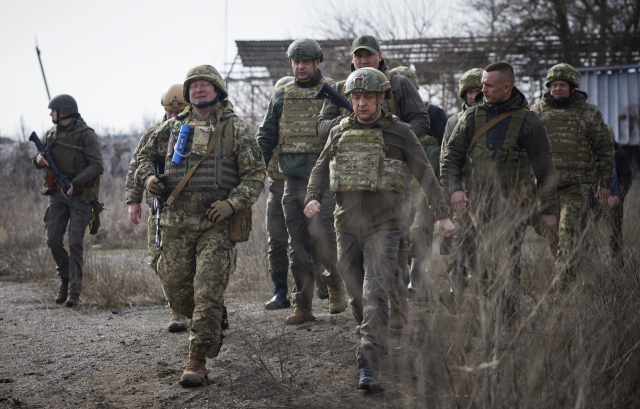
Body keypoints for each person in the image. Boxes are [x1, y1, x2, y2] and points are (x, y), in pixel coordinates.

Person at [304, 68, 454, 392]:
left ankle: (368, 362)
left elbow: (426, 173)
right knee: (358, 296)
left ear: (382, 99)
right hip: (345, 226)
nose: (361, 103)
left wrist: (442, 214)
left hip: (385, 227)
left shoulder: (400, 132)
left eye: (368, 97)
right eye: (356, 97)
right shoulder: (339, 131)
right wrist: (313, 197)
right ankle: (372, 335)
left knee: (375, 292)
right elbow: (320, 168)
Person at [135, 65, 265, 387]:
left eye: (206, 85)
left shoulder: (236, 129)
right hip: (175, 222)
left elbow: (256, 174)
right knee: (178, 295)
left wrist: (232, 203)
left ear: (218, 91)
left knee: (206, 290)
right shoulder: (169, 128)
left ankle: (197, 361)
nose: (199, 90)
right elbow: (140, 159)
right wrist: (149, 178)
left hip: (214, 223)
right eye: (194, 85)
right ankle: (210, 323)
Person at [316, 35, 431, 327]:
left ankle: (397, 309)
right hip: (352, 178)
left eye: (369, 55)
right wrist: (352, 123)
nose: (364, 59)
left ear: (380, 55)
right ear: (352, 59)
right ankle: (372, 314)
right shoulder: (344, 89)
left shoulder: (398, 84)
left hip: (392, 171)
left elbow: (421, 119)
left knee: (396, 244)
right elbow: (321, 127)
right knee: (357, 263)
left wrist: (392, 134)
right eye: (359, 55)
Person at [440, 61, 558, 315]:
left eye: (488, 85)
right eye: (482, 84)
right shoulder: (471, 118)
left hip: (512, 207)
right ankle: (488, 306)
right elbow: (451, 157)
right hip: (474, 205)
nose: (482, 90)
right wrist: (454, 189)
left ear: (507, 87)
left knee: (508, 262)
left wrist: (548, 209)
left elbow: (546, 170)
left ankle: (506, 320)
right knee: (475, 261)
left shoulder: (530, 122)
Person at [256, 38, 346, 325]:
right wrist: (256, 171)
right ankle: (302, 305)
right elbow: (266, 136)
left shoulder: (333, 91)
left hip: (324, 179)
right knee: (297, 244)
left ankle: (333, 285)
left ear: (317, 62)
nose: (300, 66)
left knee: (323, 236)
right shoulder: (282, 95)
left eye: (306, 61)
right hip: (292, 180)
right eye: (296, 62)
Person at [530, 63, 615, 287]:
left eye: (563, 85)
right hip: (546, 186)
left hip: (576, 185)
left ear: (572, 88)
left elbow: (604, 148)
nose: (558, 89)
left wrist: (606, 182)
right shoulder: (536, 112)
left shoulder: (589, 113)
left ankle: (561, 286)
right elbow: (524, 149)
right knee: (554, 236)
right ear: (549, 87)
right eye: (554, 85)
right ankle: (571, 274)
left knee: (568, 228)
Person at [125, 84, 190, 332]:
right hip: (158, 207)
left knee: (190, 261)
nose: (173, 118)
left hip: (189, 206)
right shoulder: (154, 132)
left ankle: (184, 311)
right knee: (158, 261)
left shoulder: (198, 130)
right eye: (169, 113)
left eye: (178, 112)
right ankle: (179, 306)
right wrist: (133, 200)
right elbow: (136, 165)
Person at [263, 76, 329, 310]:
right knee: (276, 239)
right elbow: (261, 147)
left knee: (313, 236)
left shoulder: (303, 125)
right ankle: (280, 291)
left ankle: (322, 280)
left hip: (303, 184)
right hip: (277, 186)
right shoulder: (271, 125)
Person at [33, 94, 103, 308]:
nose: (50, 114)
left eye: (52, 111)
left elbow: (97, 165)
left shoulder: (86, 135)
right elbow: (37, 158)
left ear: (63, 111)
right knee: (53, 239)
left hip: (80, 196)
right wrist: (38, 159)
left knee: (74, 242)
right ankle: (64, 276)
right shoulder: (50, 135)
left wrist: (75, 182)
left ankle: (74, 290)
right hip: (57, 197)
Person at [437, 68, 483, 305]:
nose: (473, 97)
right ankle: (456, 294)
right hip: (461, 193)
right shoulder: (454, 121)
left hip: (490, 192)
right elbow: (446, 158)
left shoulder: (499, 119)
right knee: (460, 243)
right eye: (470, 92)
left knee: (486, 244)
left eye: (478, 91)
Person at [581, 125, 632, 269]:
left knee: (615, 235)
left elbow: (626, 177)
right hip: (592, 200)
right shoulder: (589, 155)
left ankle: (617, 266)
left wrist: (618, 196)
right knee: (587, 232)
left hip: (613, 200)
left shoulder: (621, 155)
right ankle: (590, 267)